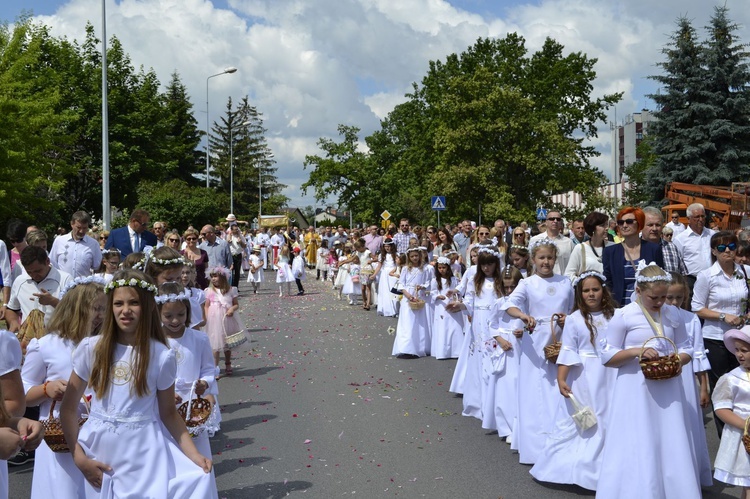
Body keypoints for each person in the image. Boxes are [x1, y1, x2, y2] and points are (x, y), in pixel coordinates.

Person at [59, 270, 214, 498]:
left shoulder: (161, 356)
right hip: (97, 448)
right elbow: (69, 407)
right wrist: (78, 456)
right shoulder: (91, 348)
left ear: (149, 306)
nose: (125, 310)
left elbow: (169, 413)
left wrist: (194, 454)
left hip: (143, 452)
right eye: (118, 303)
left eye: (134, 302)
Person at [596, 263, 700, 498]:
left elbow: (687, 347)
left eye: (664, 297)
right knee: (638, 436)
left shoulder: (672, 314)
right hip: (636, 388)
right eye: (655, 297)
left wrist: (677, 360)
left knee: (670, 437)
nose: (661, 302)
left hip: (669, 385)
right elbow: (607, 356)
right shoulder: (624, 315)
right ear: (639, 291)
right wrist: (635, 352)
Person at [529, 271, 615, 491]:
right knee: (586, 418)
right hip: (584, 375)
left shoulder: (615, 315)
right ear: (580, 294)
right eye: (586, 290)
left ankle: (608, 467)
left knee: (609, 417)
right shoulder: (575, 319)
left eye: (595, 289)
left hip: (612, 372)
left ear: (603, 291)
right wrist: (561, 378)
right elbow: (568, 350)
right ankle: (577, 468)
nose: (591, 294)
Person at [22, 277, 106, 499]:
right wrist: (46, 389)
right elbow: (22, 395)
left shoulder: (106, 345)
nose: (101, 315)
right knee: (63, 490)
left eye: (105, 309)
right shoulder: (46, 346)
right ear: (76, 308)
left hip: (99, 433)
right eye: (96, 308)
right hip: (58, 437)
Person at [503, 238, 575, 464]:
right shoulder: (527, 283)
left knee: (559, 387)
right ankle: (535, 445)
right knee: (535, 391)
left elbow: (572, 309)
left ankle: (560, 441)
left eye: (550, 258)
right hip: (535, 342)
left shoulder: (565, 282)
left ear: (556, 259)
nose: (546, 262)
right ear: (533, 260)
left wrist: (568, 320)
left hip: (560, 338)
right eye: (541, 258)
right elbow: (509, 305)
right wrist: (524, 316)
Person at [156, 282, 220, 477]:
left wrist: (205, 383)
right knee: (168, 463)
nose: (175, 321)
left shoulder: (199, 339)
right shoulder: (155, 340)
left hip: (193, 410)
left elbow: (208, 369)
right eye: (168, 316)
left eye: (181, 315)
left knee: (195, 463)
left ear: (188, 311)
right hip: (163, 409)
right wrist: (165, 394)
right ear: (158, 314)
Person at [692, 230, 750, 436]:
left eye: (732, 247)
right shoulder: (707, 276)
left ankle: (745, 430)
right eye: (722, 248)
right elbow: (697, 307)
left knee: (744, 384)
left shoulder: (746, 272)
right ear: (714, 251)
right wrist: (723, 316)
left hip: (743, 338)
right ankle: (726, 434)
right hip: (716, 338)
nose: (728, 251)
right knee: (722, 387)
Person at [665, 271, 713, 486]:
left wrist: (704, 386)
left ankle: (690, 475)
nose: (675, 302)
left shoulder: (691, 318)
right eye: (669, 297)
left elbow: (699, 353)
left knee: (687, 424)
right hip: (664, 375)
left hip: (685, 377)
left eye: (679, 297)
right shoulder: (657, 317)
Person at [450, 248, 504, 420]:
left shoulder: (500, 281)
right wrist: (460, 306)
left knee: (493, 359)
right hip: (479, 322)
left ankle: (494, 403)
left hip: (494, 320)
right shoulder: (475, 281)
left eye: (490, 264)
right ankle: (477, 402)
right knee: (479, 360)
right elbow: (469, 302)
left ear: (496, 264)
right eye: (483, 265)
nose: (487, 268)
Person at [480, 266, 524, 439]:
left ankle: (520, 425)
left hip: (522, 347)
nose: (509, 290)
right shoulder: (499, 303)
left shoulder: (524, 303)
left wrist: (525, 331)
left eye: (512, 286)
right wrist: (500, 340)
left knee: (519, 384)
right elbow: (492, 324)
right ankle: (506, 426)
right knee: (506, 386)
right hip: (506, 347)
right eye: (506, 287)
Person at [712, 325, 750, 495]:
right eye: (737, 350)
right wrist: (745, 425)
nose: (739, 354)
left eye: (745, 350)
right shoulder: (731, 378)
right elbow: (721, 408)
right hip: (742, 434)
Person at [602, 207, 664, 307]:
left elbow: (661, 279)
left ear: (639, 223)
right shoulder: (610, 252)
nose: (624, 225)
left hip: (646, 308)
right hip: (620, 308)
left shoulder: (653, 249)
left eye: (629, 222)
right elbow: (608, 283)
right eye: (621, 222)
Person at [5, 246, 73, 332]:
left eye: (38, 271)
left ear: (47, 261)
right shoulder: (20, 281)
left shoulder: (65, 279)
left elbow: (76, 311)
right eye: (29, 272)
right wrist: (13, 321)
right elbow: (12, 309)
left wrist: (53, 301)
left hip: (57, 339)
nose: (34, 275)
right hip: (28, 341)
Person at [203, 267, 242, 379]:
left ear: (223, 277)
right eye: (212, 277)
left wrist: (231, 309)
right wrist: (207, 319)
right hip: (214, 319)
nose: (213, 279)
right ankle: (215, 368)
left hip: (226, 318)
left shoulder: (230, 290)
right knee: (215, 345)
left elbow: (236, 304)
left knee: (227, 343)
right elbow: (206, 306)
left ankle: (228, 363)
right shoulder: (209, 291)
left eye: (215, 276)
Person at [391, 248, 430, 358]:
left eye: (416, 256)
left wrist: (422, 286)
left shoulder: (424, 269)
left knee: (418, 322)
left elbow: (428, 281)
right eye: (412, 256)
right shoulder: (405, 269)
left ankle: (418, 347)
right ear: (409, 257)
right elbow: (401, 284)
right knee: (407, 321)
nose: (414, 258)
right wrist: (408, 295)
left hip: (418, 295)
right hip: (408, 295)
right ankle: (406, 348)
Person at [674, 202, 716, 289]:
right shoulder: (680, 239)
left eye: (702, 216)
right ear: (688, 219)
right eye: (697, 217)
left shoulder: (712, 234)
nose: (700, 219)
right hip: (692, 282)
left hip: (713, 280)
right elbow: (677, 263)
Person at [49, 211, 102, 279]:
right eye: (78, 227)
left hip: (83, 286)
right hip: (62, 285)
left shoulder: (93, 244)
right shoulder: (59, 241)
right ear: (72, 224)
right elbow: (52, 263)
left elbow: (97, 267)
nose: (81, 231)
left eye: (84, 228)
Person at [429, 257, 464, 360]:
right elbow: (432, 293)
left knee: (454, 326)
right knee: (443, 327)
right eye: (439, 268)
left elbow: (458, 292)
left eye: (443, 267)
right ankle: (443, 351)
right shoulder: (435, 280)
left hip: (451, 304)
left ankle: (456, 350)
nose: (441, 270)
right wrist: (437, 296)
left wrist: (456, 298)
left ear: (448, 268)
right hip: (441, 306)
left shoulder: (454, 280)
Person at [641, 207, 688, 275]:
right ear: (641, 226)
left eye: (658, 225)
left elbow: (683, 275)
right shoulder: (634, 249)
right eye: (650, 225)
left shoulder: (672, 248)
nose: (654, 229)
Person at [564, 212, 611, 280]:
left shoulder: (612, 247)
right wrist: (581, 284)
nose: (606, 228)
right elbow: (568, 274)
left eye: (607, 225)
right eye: (602, 225)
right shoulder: (580, 248)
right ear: (592, 228)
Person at [528, 211, 574, 275]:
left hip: (562, 281)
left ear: (561, 223)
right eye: (552, 219)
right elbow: (531, 262)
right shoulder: (535, 240)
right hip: (541, 280)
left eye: (558, 219)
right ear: (546, 222)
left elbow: (572, 265)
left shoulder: (568, 242)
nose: (555, 221)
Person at [375, 239, 399, 318]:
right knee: (385, 292)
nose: (387, 248)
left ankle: (395, 310)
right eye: (385, 246)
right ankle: (386, 309)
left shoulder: (396, 254)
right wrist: (374, 274)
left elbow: (398, 265)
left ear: (392, 246)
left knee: (393, 291)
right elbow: (379, 266)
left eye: (388, 246)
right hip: (384, 274)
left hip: (393, 273)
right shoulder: (382, 255)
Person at [226, 224, 246, 289]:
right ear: (231, 230)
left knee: (237, 272)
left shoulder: (240, 236)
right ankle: (230, 286)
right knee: (230, 272)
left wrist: (240, 242)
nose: (236, 231)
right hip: (231, 255)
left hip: (238, 255)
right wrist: (229, 239)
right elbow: (226, 244)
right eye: (235, 229)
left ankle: (236, 287)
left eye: (237, 229)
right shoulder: (228, 236)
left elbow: (244, 246)